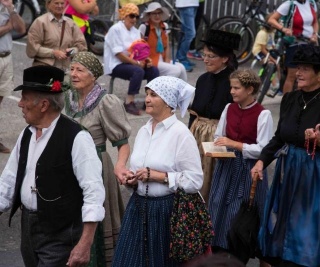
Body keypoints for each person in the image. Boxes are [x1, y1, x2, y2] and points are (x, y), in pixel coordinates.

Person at [0, 65, 105, 267]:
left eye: (25, 98)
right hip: (28, 230)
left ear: (44, 104)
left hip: (62, 234)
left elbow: (93, 191)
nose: (20, 104)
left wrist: (85, 244)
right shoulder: (27, 134)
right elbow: (8, 180)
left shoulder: (77, 138)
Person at [111, 76, 203, 266]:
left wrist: (158, 176)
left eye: (154, 95)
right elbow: (140, 170)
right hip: (137, 208)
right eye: (146, 94)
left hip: (165, 213)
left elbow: (194, 181)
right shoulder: (145, 129)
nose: (147, 99)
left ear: (169, 102)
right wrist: (132, 179)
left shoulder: (180, 134)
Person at [251, 44, 320, 267]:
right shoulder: (290, 99)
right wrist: (261, 160)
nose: (298, 73)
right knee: (281, 223)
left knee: (307, 226)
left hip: (313, 174)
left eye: (305, 69)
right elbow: (279, 137)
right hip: (288, 170)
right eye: (297, 68)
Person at [65, 51, 131, 266]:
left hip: (97, 167)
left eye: (80, 70)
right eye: (72, 69)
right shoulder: (68, 97)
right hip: (69, 166)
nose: (73, 74)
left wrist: (120, 166)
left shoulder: (106, 102)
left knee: (95, 218)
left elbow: (122, 144)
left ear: (93, 76)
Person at [208, 69, 273, 267]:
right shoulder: (229, 108)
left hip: (248, 170)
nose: (232, 91)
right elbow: (219, 135)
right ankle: (219, 253)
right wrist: (216, 147)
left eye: (236, 88)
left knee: (241, 212)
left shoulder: (263, 114)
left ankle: (239, 255)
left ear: (250, 89)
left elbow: (264, 148)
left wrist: (236, 145)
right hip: (226, 167)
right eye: (231, 87)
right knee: (218, 206)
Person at [188, 29, 240, 203]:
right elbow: (194, 113)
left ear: (225, 58)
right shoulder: (203, 79)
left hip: (219, 139)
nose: (205, 60)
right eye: (204, 55)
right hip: (197, 136)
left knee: (212, 184)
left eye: (211, 56)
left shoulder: (234, 83)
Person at [104, 3, 159, 116]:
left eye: (136, 17)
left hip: (133, 63)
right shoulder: (115, 29)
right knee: (138, 71)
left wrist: (146, 61)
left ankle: (149, 100)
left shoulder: (135, 31)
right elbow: (118, 54)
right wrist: (137, 63)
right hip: (116, 64)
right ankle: (129, 102)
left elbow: (141, 50)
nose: (134, 19)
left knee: (154, 70)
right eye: (131, 16)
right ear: (124, 16)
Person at [268, 0, 318, 95]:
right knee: (292, 76)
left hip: (309, 44)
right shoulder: (290, 4)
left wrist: (315, 34)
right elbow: (271, 19)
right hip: (295, 43)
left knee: (308, 76)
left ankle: (302, 101)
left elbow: (315, 22)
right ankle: (286, 103)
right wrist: (283, 29)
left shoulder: (312, 3)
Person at [26, 0, 87, 72]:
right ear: (48, 4)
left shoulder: (71, 23)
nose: (60, 6)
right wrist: (53, 53)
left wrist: (71, 51)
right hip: (44, 69)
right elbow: (32, 49)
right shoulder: (40, 22)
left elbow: (82, 47)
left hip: (65, 70)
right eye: (56, 3)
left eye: (62, 3)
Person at [0, 0, 25, 153]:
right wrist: (9, 26)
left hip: (6, 57)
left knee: (1, 99)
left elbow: (21, 28)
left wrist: (11, 9)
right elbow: (13, 27)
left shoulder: (9, 8)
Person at [139, 2, 188, 82]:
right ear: (149, 15)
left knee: (181, 67)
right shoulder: (144, 27)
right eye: (154, 13)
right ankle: (161, 91)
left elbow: (167, 46)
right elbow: (140, 47)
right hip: (151, 60)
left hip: (162, 58)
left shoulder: (164, 26)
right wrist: (145, 61)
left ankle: (183, 93)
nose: (157, 16)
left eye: (159, 13)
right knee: (175, 70)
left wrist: (167, 60)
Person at [252, 16, 280, 97]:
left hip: (268, 50)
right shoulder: (262, 33)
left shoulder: (272, 32)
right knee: (269, 63)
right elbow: (263, 49)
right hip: (259, 51)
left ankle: (276, 86)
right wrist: (273, 59)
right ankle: (265, 83)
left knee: (277, 65)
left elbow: (272, 44)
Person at [175, 0, 199, 72]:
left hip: (193, 3)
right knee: (190, 33)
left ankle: (182, 58)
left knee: (185, 32)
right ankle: (181, 58)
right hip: (186, 4)